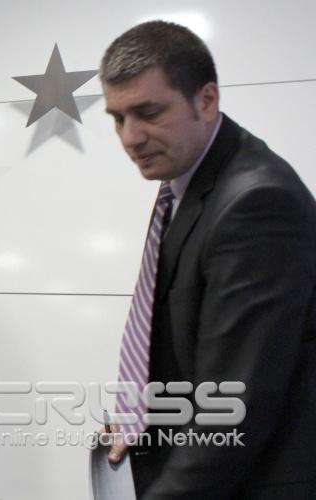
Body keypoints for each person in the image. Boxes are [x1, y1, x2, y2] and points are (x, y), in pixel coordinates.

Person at [100, 21, 316, 498]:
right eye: (117, 118)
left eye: (148, 112)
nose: (130, 137)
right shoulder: (187, 182)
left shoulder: (256, 202)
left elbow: (234, 407)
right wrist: (141, 417)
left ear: (207, 100)